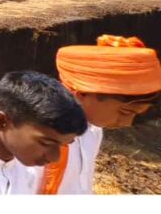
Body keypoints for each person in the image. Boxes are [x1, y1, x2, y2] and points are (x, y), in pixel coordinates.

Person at [37, 36, 161, 194]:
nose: (127, 123)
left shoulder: (93, 131)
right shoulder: (35, 139)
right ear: (82, 93)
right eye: (124, 112)